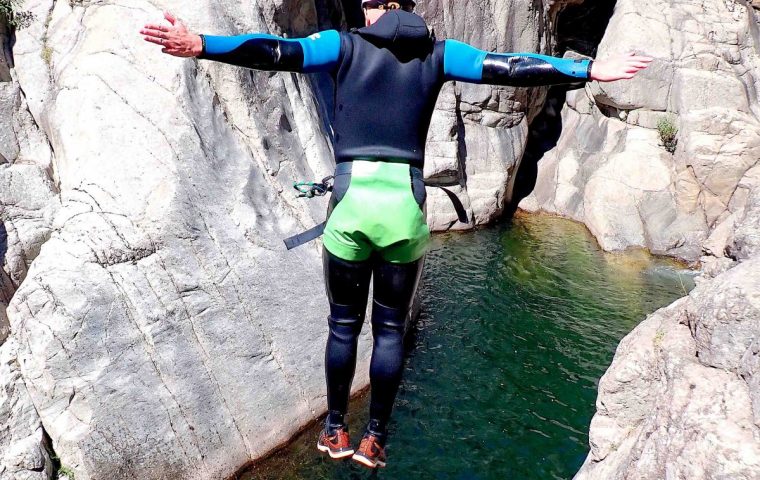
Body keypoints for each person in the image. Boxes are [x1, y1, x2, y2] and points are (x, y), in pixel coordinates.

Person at [141, 0, 652, 469]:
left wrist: (202, 44)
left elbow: (278, 52)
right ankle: (376, 437)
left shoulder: (340, 44)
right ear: (407, 7)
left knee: (344, 326)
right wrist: (587, 69)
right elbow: (511, 67)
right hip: (404, 210)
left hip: (352, 206)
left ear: (368, 8)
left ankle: (336, 429)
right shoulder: (440, 54)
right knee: (389, 332)